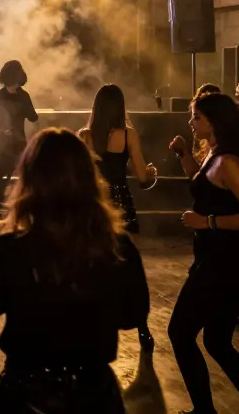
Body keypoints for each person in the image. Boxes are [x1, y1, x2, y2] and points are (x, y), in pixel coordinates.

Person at [0, 128, 150, 413]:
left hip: (27, 396)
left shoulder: (10, 249)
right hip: (94, 395)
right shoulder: (116, 246)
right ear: (89, 179)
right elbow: (132, 315)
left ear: (30, 181)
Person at [166, 93, 239, 414]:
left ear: (212, 121)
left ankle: (205, 412)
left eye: (195, 117)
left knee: (180, 333)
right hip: (217, 261)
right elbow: (204, 188)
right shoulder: (214, 155)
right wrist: (185, 155)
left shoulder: (229, 162)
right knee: (217, 343)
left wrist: (206, 222)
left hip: (225, 264)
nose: (190, 122)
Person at [78, 83, 157, 350]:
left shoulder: (85, 136)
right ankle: (143, 329)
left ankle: (92, 325)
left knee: (93, 265)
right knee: (129, 267)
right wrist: (152, 174)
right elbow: (143, 178)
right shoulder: (128, 135)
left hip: (95, 203)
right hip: (121, 202)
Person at [0, 60, 38, 204]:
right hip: (7, 140)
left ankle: (12, 196)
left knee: (17, 168)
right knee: (6, 168)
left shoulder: (15, 95)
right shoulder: (2, 97)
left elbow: (33, 116)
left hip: (18, 139)